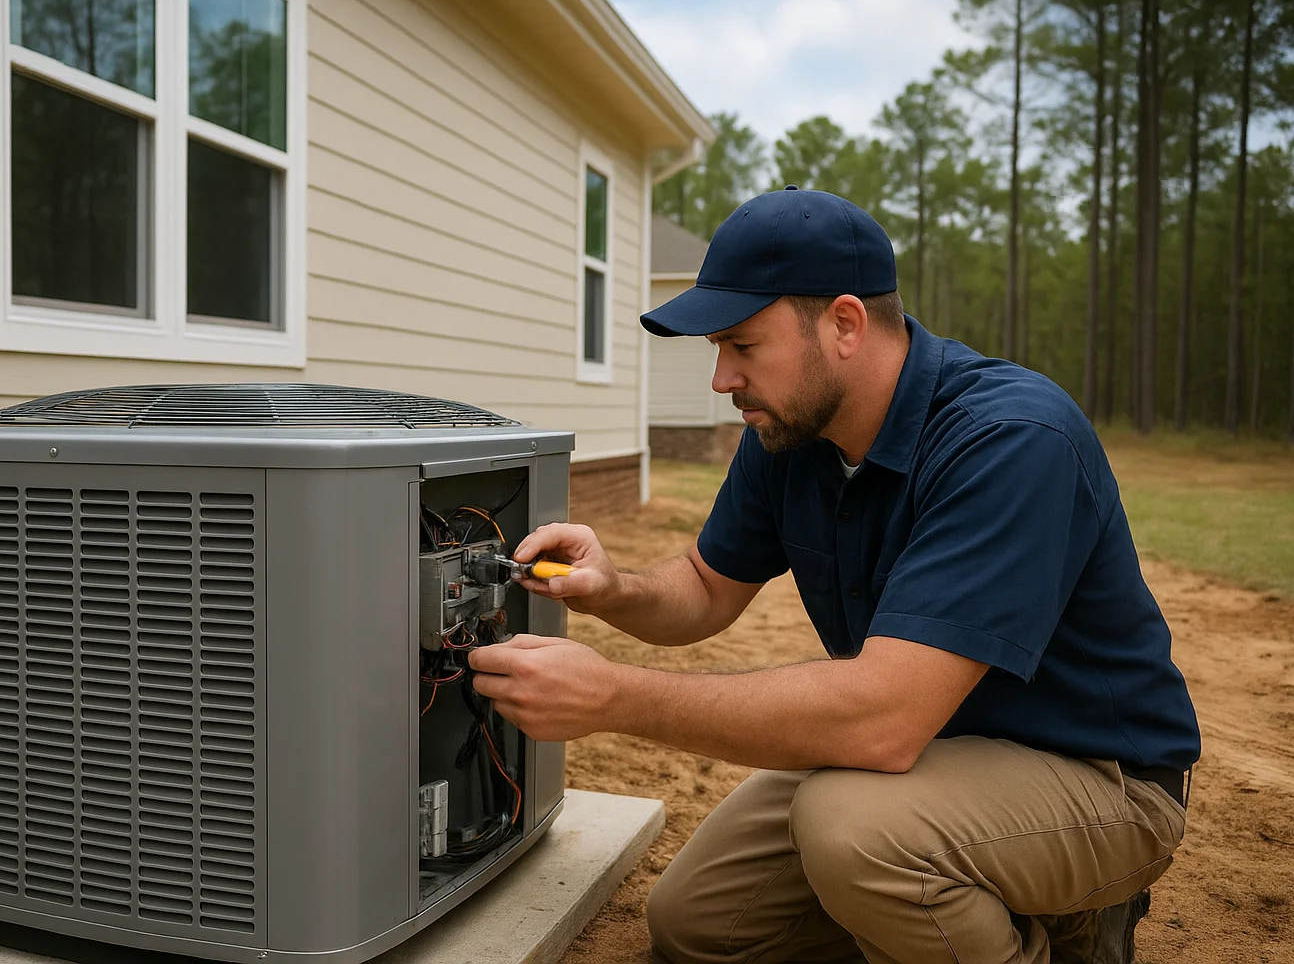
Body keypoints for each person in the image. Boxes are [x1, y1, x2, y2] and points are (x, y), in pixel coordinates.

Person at [466, 187, 1200, 964]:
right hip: (930, 757)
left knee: (851, 830)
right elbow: (706, 587)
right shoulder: (792, 432)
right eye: (717, 349)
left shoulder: (1012, 439)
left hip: (1097, 778)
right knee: (701, 923)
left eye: (743, 346)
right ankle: (962, 907)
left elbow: (882, 720)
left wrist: (613, 696)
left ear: (845, 324)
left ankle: (1065, 927)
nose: (722, 380)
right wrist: (612, 589)